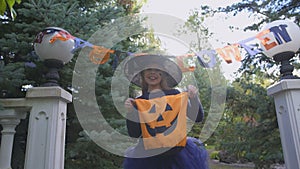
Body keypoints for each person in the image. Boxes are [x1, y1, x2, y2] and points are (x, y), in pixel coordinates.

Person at [122, 54, 209, 169]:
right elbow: (134, 133)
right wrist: (131, 112)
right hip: (148, 157)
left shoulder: (175, 95)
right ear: (142, 74)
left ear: (162, 75)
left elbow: (197, 118)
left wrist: (194, 99)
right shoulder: (139, 101)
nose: (152, 73)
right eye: (148, 70)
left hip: (177, 154)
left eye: (157, 70)